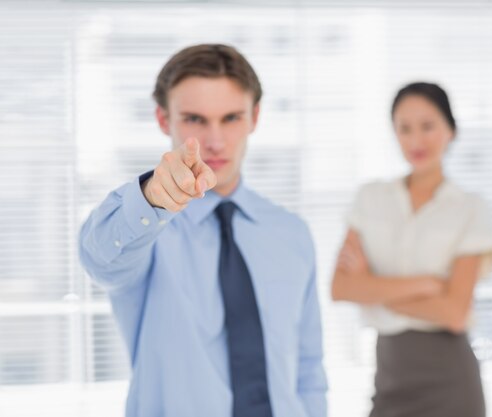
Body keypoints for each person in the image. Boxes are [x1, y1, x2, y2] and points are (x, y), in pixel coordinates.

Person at [79, 44, 327, 417]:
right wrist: (152, 197)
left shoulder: (291, 234)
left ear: (254, 117)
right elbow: (99, 257)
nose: (214, 141)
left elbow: (308, 370)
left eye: (230, 118)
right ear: (164, 120)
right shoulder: (145, 228)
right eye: (195, 119)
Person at [331, 82, 492, 417]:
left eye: (427, 126)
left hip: (451, 379)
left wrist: (372, 287)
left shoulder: (470, 208)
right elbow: (341, 287)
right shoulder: (370, 198)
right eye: (404, 128)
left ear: (450, 130)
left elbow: (453, 314)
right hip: (390, 373)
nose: (415, 140)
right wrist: (426, 284)